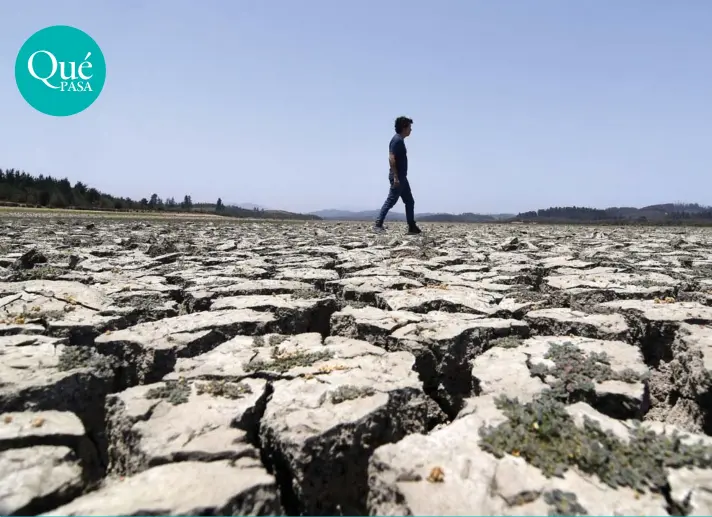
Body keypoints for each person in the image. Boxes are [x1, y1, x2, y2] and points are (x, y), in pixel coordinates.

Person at [373, 116, 422, 234]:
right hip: (398, 177)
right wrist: (395, 176)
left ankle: (411, 226)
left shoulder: (400, 140)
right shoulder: (397, 140)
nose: (411, 130)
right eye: (409, 127)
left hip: (402, 177)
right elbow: (391, 158)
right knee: (391, 200)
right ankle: (378, 224)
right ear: (404, 128)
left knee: (409, 201)